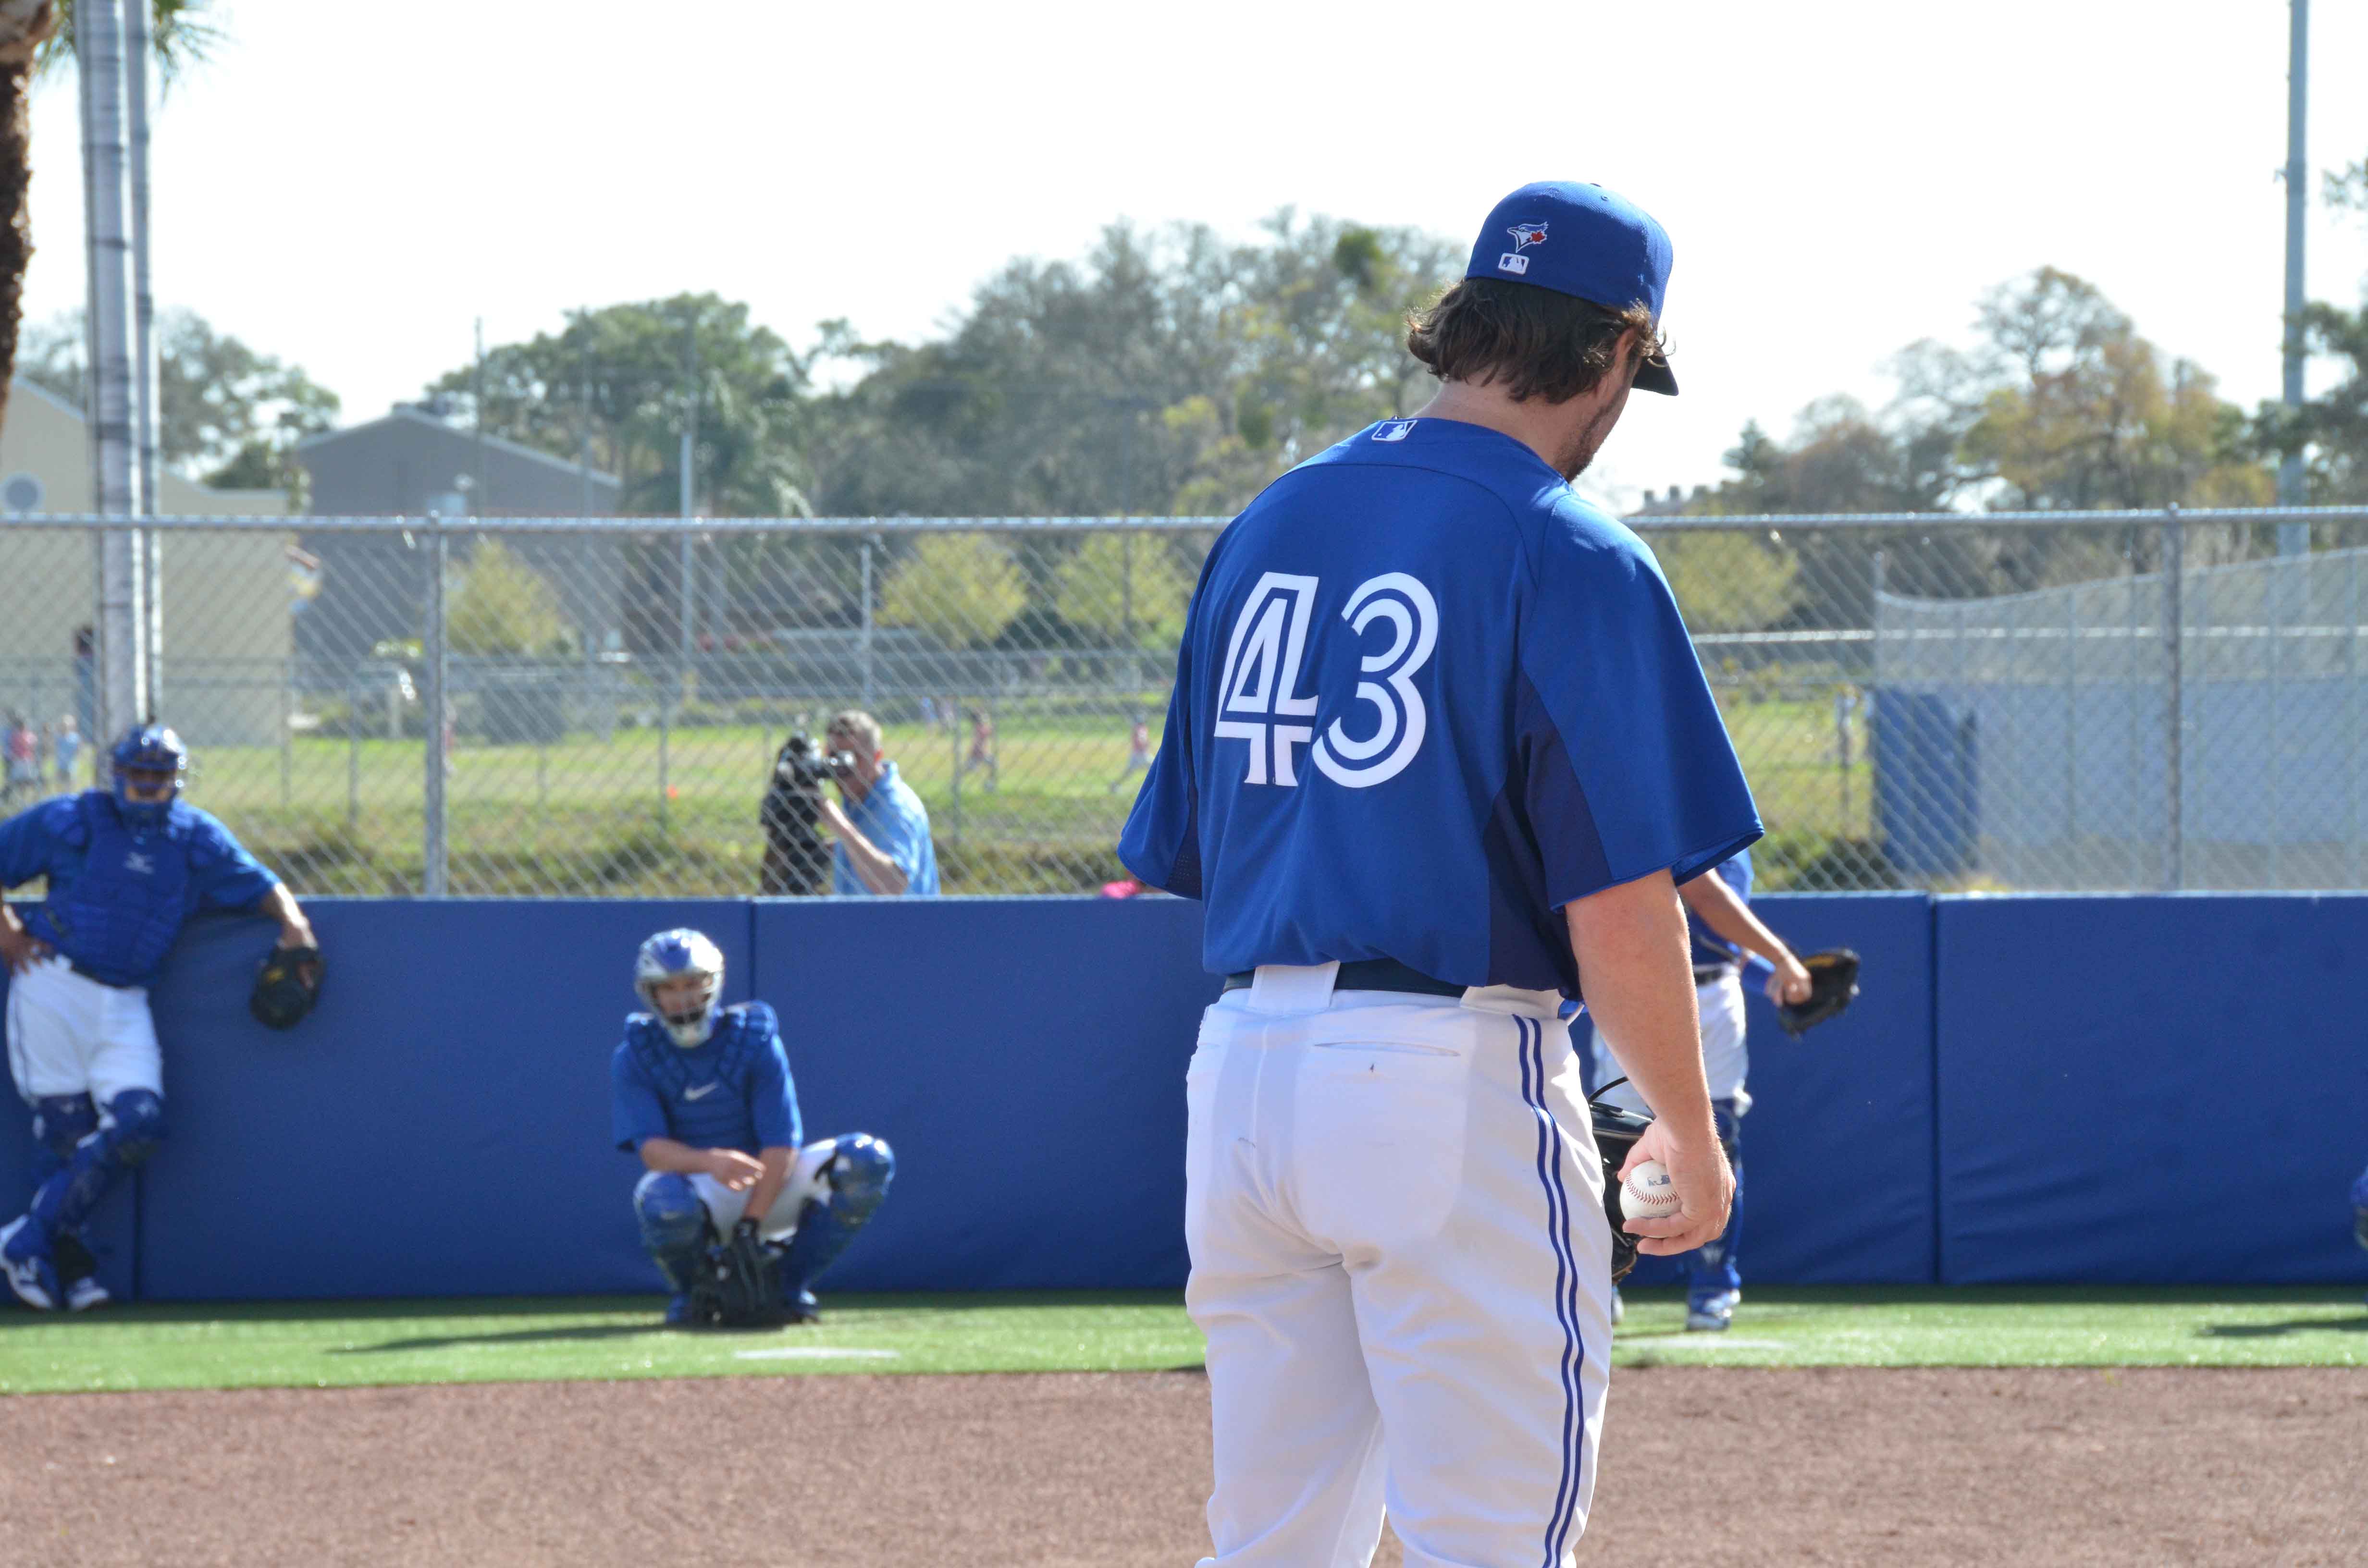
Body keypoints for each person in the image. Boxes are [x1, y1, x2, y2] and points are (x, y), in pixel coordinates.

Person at [1119, 180, 1759, 1565]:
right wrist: (1691, 1132)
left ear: (1467, 325)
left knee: (1276, 1545)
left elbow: (1190, 846)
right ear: (1611, 352)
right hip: (1441, 1075)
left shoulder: (1269, 522)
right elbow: (1617, 902)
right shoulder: (1568, 545)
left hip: (1241, 1073)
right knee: (1493, 1543)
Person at [0, 723, 320, 1312]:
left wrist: (293, 923)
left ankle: (24, 1240)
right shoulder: (68, 820)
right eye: (139, 773)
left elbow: (259, 882)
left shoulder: (194, 836)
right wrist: (8, 932)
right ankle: (69, 1268)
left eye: (160, 775)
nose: (148, 785)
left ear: (177, 780)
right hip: (52, 984)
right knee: (65, 1131)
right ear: (118, 774)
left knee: (140, 1121)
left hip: (126, 1000)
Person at [612, 928, 893, 1326]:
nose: (683, 997)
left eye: (692, 983)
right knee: (664, 1200)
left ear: (713, 983)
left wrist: (750, 1224)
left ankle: (790, 1287)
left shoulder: (755, 1041)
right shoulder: (635, 1055)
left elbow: (782, 1143)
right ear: (650, 993)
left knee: (866, 1161)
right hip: (703, 1190)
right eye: (669, 988)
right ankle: (690, 1296)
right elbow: (652, 1151)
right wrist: (712, 1161)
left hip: (769, 1183)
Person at [1586, 848, 1813, 1332]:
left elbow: (1718, 945)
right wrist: (1784, 960)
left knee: (1717, 1138)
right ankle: (1596, 1281)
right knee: (1614, 1141)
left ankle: (1712, 1285)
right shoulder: (1665, 796)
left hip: (1713, 996)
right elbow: (1704, 898)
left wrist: (1773, 978)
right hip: (1636, 988)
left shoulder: (1736, 826)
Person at [816, 710, 938, 896]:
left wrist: (840, 825)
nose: (842, 769)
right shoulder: (857, 797)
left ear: (876, 756)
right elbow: (872, 844)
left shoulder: (898, 807)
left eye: (851, 758)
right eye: (835, 757)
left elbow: (893, 885)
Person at [1108, 713, 1152, 793]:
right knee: (1154, 768)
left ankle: (1115, 785)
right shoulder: (1139, 729)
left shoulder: (1140, 729)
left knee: (1128, 773)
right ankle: (1115, 785)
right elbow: (1141, 741)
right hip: (1141, 755)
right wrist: (1146, 744)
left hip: (1138, 755)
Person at [3, 715, 36, 805]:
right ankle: (18, 800)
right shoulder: (16, 736)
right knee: (18, 781)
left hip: (26, 761)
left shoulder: (28, 735)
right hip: (18, 761)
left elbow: (32, 745)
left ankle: (23, 800)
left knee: (25, 782)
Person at [963, 707, 998, 791]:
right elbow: (985, 733)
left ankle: (990, 784)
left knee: (993, 764)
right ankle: (955, 783)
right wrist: (992, 728)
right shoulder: (979, 727)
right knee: (969, 769)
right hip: (978, 753)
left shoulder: (980, 727)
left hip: (981, 753)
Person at [51, 716, 80, 787]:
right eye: (63, 725)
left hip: (71, 765)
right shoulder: (58, 737)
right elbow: (53, 748)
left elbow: (78, 750)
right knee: (59, 785)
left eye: (66, 726)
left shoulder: (74, 738)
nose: (64, 728)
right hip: (60, 765)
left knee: (69, 786)